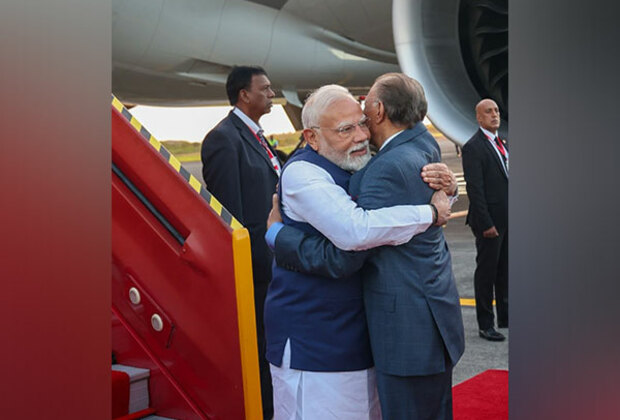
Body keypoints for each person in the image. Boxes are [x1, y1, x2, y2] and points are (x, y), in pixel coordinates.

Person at [267, 73, 465, 420]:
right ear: (311, 137)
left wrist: (448, 188)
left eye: (361, 123)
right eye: (345, 130)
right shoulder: (303, 174)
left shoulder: (366, 161)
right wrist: (432, 211)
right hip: (316, 342)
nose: (361, 136)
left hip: (361, 337)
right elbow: (354, 238)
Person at [200, 65, 280, 418]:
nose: (272, 93)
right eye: (265, 88)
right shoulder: (224, 139)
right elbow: (228, 214)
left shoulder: (257, 135)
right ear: (244, 95)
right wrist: (253, 262)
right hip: (256, 267)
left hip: (273, 260)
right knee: (259, 350)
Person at [461, 98, 509, 342]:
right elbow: (475, 189)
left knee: (506, 270)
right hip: (489, 223)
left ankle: (505, 316)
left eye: (496, 111)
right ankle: (485, 323)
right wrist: (486, 223)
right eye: (488, 112)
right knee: (487, 273)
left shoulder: (502, 143)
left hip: (508, 219)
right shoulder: (473, 147)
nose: (494, 115)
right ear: (479, 118)